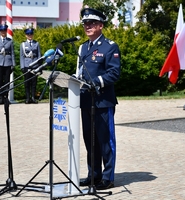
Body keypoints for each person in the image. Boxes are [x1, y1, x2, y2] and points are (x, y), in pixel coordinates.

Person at [76, 8, 121, 190]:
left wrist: (96, 82)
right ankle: (93, 175)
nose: (87, 26)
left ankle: (108, 177)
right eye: (85, 24)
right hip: (86, 100)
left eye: (91, 23)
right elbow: (79, 72)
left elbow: (114, 73)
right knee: (90, 141)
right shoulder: (82, 47)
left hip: (103, 101)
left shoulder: (110, 46)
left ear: (101, 26)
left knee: (105, 141)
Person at [0, 24, 16, 105]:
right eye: (2, 31)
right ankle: (1, 98)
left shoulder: (10, 41)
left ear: (6, 31)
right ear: (0, 32)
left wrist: (13, 64)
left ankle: (6, 98)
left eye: (4, 31)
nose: (3, 32)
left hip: (8, 62)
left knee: (7, 82)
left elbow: (12, 53)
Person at [20, 27, 41, 104]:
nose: (30, 35)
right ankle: (28, 98)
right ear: (26, 35)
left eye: (31, 34)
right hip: (27, 65)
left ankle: (33, 97)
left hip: (35, 65)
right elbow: (22, 56)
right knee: (27, 83)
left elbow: (39, 55)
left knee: (34, 83)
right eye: (28, 34)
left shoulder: (36, 43)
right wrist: (22, 66)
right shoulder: (23, 44)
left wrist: (39, 66)